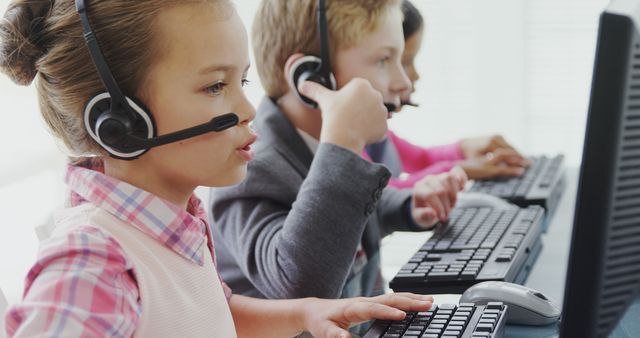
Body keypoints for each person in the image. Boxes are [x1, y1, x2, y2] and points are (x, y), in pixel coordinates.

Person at [0, 1, 434, 337]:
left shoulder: (171, 221)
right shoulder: (95, 260)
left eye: (241, 82)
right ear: (120, 123)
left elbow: (210, 312)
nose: (247, 110)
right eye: (215, 86)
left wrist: (308, 312)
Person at [209, 0, 466, 310]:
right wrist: (343, 143)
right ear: (311, 78)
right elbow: (300, 285)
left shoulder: (320, 149)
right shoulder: (251, 168)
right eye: (384, 59)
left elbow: (352, 215)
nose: (403, 83)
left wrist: (409, 205)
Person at [366, 0, 531, 189]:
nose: (412, 77)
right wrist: (461, 170)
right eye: (405, 62)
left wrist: (464, 148)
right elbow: (382, 196)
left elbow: (421, 159)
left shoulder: (378, 134)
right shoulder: (347, 142)